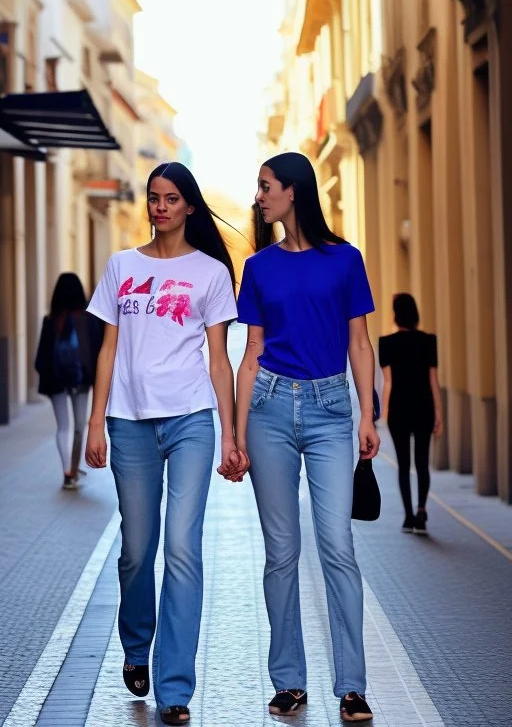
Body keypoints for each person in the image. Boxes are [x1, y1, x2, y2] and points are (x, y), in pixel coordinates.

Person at [224, 152, 380, 723]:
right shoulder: (259, 267)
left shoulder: (345, 260)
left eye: (266, 186)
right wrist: (235, 435)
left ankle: (353, 685)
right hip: (268, 408)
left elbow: (359, 343)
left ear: (293, 192)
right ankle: (289, 680)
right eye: (259, 187)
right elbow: (251, 353)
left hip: (331, 409)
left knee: (337, 544)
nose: (259, 196)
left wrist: (369, 416)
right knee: (281, 553)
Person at [85, 162, 241, 727]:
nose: (160, 207)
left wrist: (231, 434)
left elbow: (219, 360)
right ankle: (135, 647)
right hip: (128, 422)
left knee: (182, 548)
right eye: (154, 198)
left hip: (192, 420)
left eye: (171, 199)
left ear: (190, 207)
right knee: (136, 549)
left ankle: (174, 686)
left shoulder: (210, 274)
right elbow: (107, 350)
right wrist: (94, 422)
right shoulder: (121, 266)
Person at [379, 293, 443, 535]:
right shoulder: (428, 341)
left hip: (399, 409)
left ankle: (408, 517)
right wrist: (439, 413)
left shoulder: (387, 343)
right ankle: (422, 510)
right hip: (424, 407)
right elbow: (433, 380)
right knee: (422, 462)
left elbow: (388, 382)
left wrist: (384, 412)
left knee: (403, 465)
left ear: (396, 314)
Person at [35, 272, 102, 489]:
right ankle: (74, 471)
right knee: (79, 426)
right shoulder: (88, 320)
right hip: (81, 380)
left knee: (63, 426)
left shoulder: (51, 321)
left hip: (56, 382)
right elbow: (96, 352)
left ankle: (66, 472)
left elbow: (41, 358)